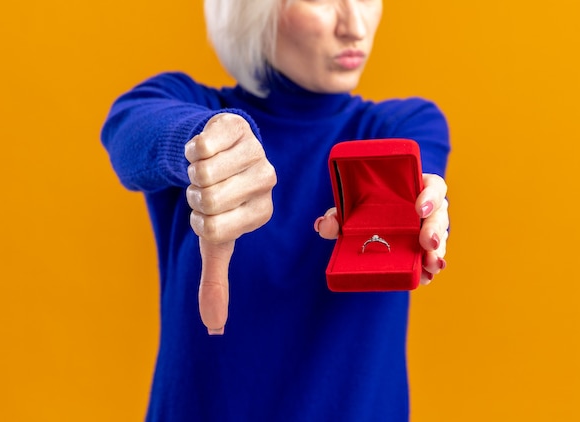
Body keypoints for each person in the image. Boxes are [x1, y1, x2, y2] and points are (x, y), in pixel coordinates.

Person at [101, 0, 450, 420]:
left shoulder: (400, 126)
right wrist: (205, 146)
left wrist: (418, 209)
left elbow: (417, 172)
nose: (354, 26)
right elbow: (128, 130)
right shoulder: (184, 103)